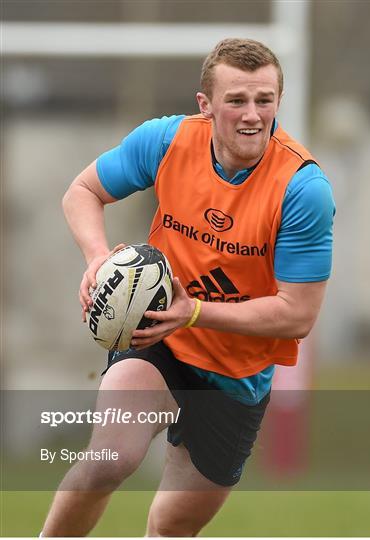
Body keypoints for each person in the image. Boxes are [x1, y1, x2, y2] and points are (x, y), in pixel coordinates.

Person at [42, 38, 335, 537]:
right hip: (159, 342)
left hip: (236, 374)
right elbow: (83, 191)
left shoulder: (303, 188)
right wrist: (97, 258)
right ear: (205, 105)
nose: (251, 115)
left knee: (173, 526)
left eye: (264, 101)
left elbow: (297, 315)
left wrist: (195, 311)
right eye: (236, 100)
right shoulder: (166, 141)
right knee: (110, 459)